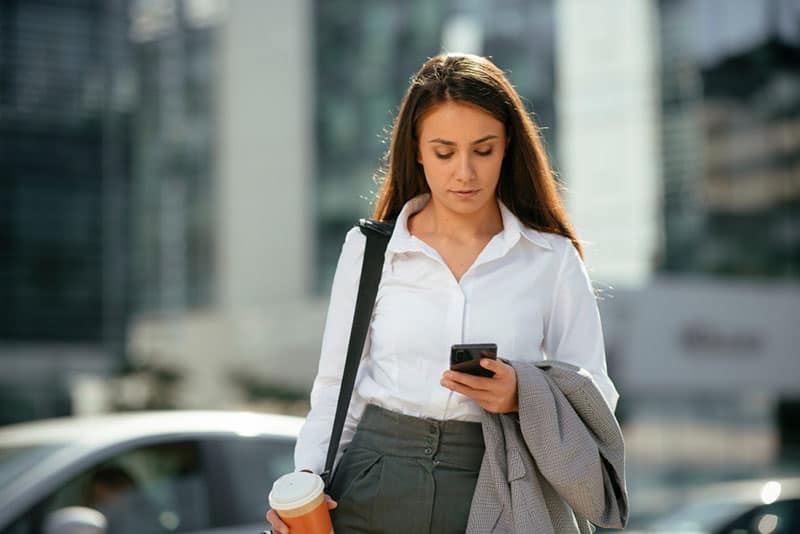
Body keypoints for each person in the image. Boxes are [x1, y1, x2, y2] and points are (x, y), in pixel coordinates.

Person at [266, 52, 621, 533]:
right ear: (416, 149)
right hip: (372, 479)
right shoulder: (372, 251)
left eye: (483, 149)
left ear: (507, 146)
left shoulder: (550, 259)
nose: (465, 173)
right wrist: (306, 483)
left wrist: (522, 394)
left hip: (496, 482)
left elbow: (595, 391)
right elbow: (335, 387)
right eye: (444, 151)